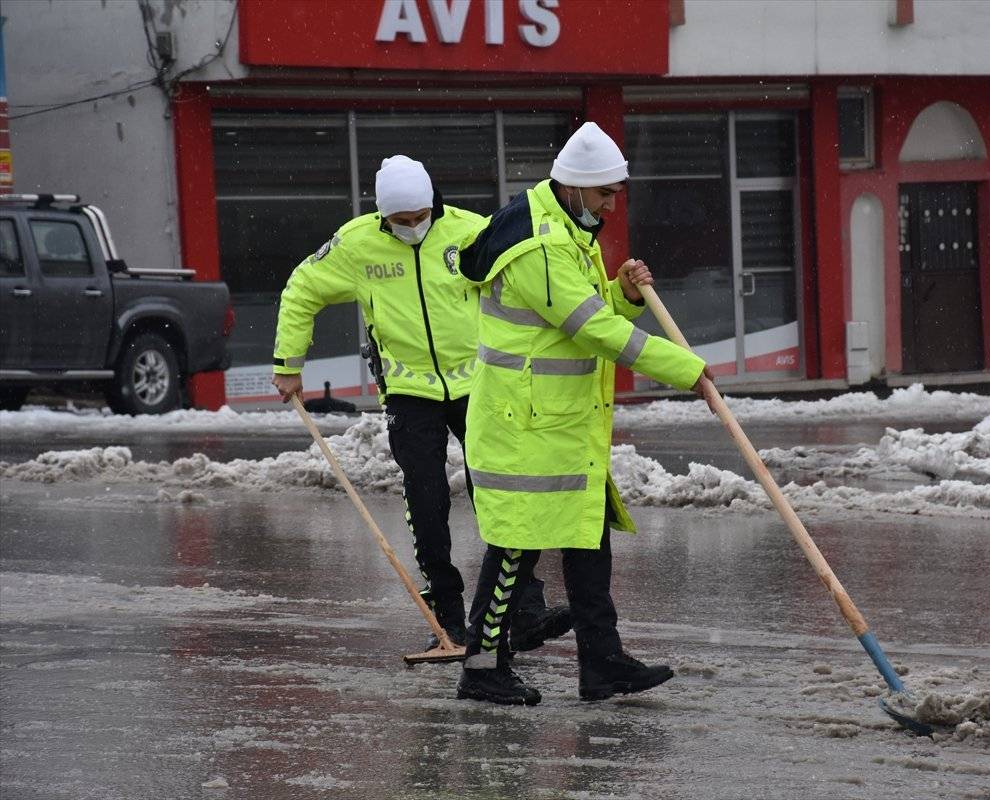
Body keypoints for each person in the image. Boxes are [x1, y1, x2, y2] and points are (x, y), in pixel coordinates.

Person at [454, 123, 715, 705]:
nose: (611, 206)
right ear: (573, 185)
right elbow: (592, 329)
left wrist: (623, 293)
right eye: (604, 194)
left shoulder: (567, 228)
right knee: (515, 550)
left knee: (588, 544)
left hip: (560, 424)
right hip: (524, 430)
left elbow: (584, 313)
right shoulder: (540, 246)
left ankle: (603, 664)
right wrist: (684, 368)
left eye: (616, 194)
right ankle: (482, 667)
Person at [271, 155, 571, 654]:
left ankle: (523, 606)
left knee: (498, 493)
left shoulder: (470, 231)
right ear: (382, 215)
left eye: (420, 217)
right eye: (401, 220)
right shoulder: (355, 245)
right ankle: (447, 618)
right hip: (408, 391)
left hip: (479, 382)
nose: (412, 227)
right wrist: (288, 362)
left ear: (435, 205)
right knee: (426, 501)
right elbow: (302, 288)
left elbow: (525, 279)